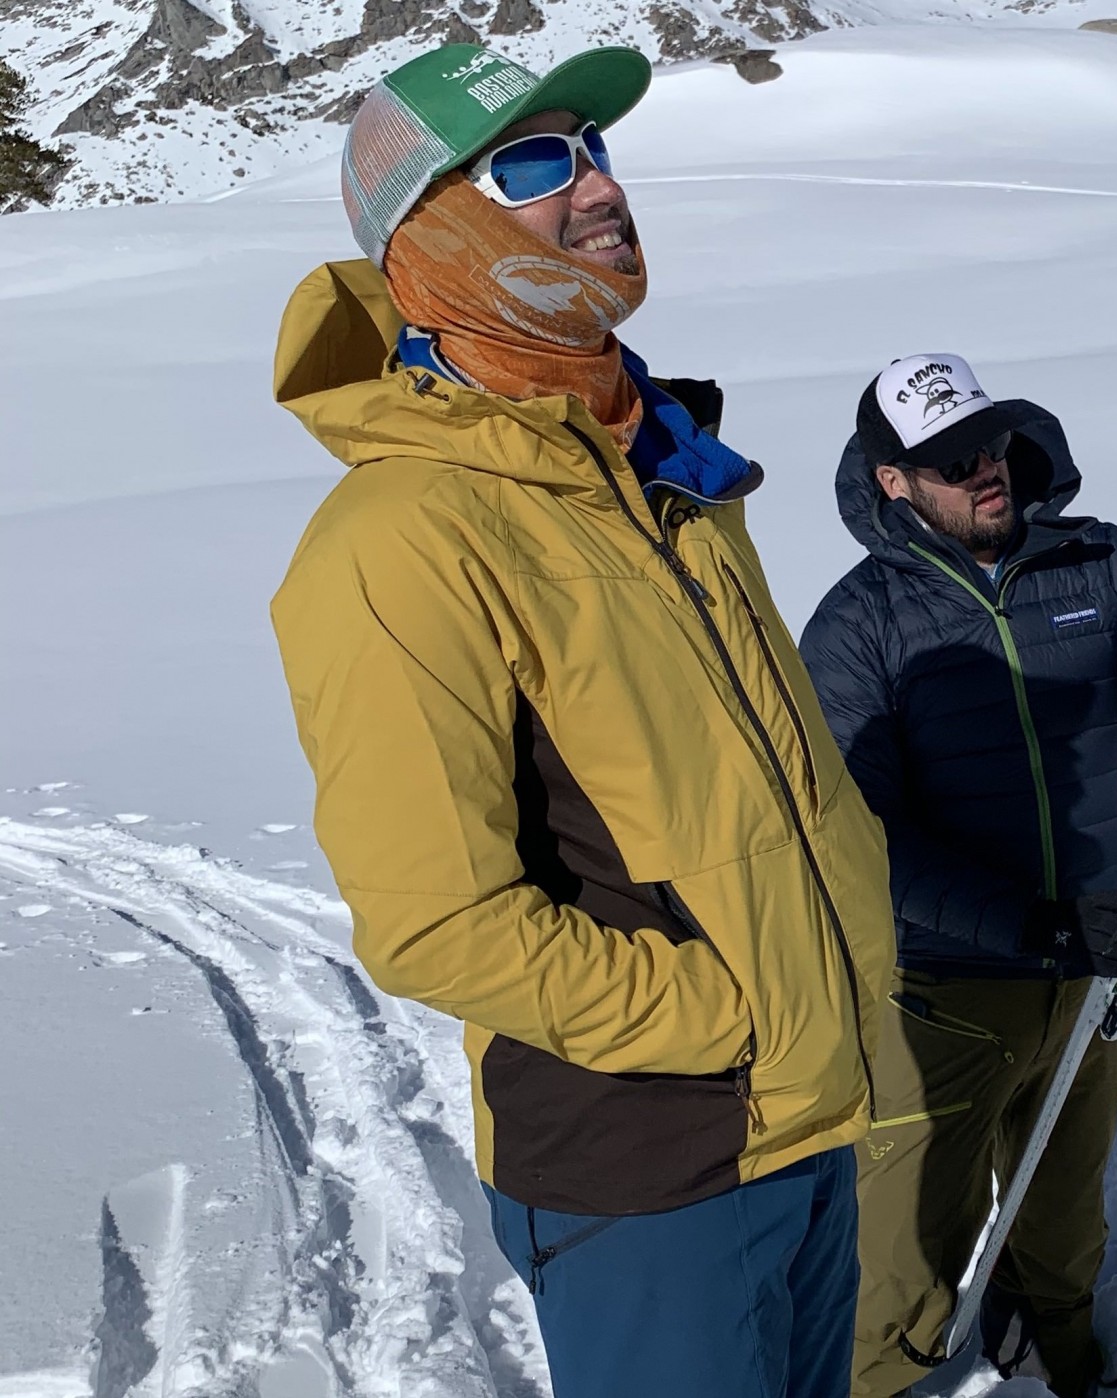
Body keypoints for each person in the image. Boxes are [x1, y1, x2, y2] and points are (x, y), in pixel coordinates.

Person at [268, 43, 894, 1398]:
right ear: (428, 233)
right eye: (535, 164)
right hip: (650, 1168)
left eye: (595, 149)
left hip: (807, 1114)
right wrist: (725, 1014)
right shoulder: (402, 536)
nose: (599, 187)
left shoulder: (661, 469)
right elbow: (437, 922)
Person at [798, 354, 1117, 1396]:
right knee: (901, 1264)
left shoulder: (1096, 562)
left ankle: (1054, 1353)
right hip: (936, 998)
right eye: (951, 461)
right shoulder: (857, 625)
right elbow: (857, 838)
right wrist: (1027, 924)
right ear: (893, 481)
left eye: (991, 442)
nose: (987, 469)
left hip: (1086, 981)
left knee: (1062, 1232)